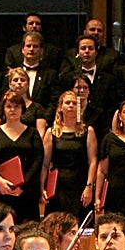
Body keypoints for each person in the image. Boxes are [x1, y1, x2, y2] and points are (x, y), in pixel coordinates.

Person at [0, 91, 46, 222]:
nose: (13, 110)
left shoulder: (32, 133)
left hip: (26, 192)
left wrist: (22, 185)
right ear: (3, 109)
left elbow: (38, 160)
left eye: (17, 106)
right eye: (9, 106)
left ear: (22, 109)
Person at [44, 90, 98, 220]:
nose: (71, 106)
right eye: (67, 103)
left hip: (81, 186)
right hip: (58, 187)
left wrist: (89, 187)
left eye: (74, 103)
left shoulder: (88, 131)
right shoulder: (51, 132)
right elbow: (45, 164)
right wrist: (43, 188)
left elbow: (93, 162)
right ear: (60, 107)